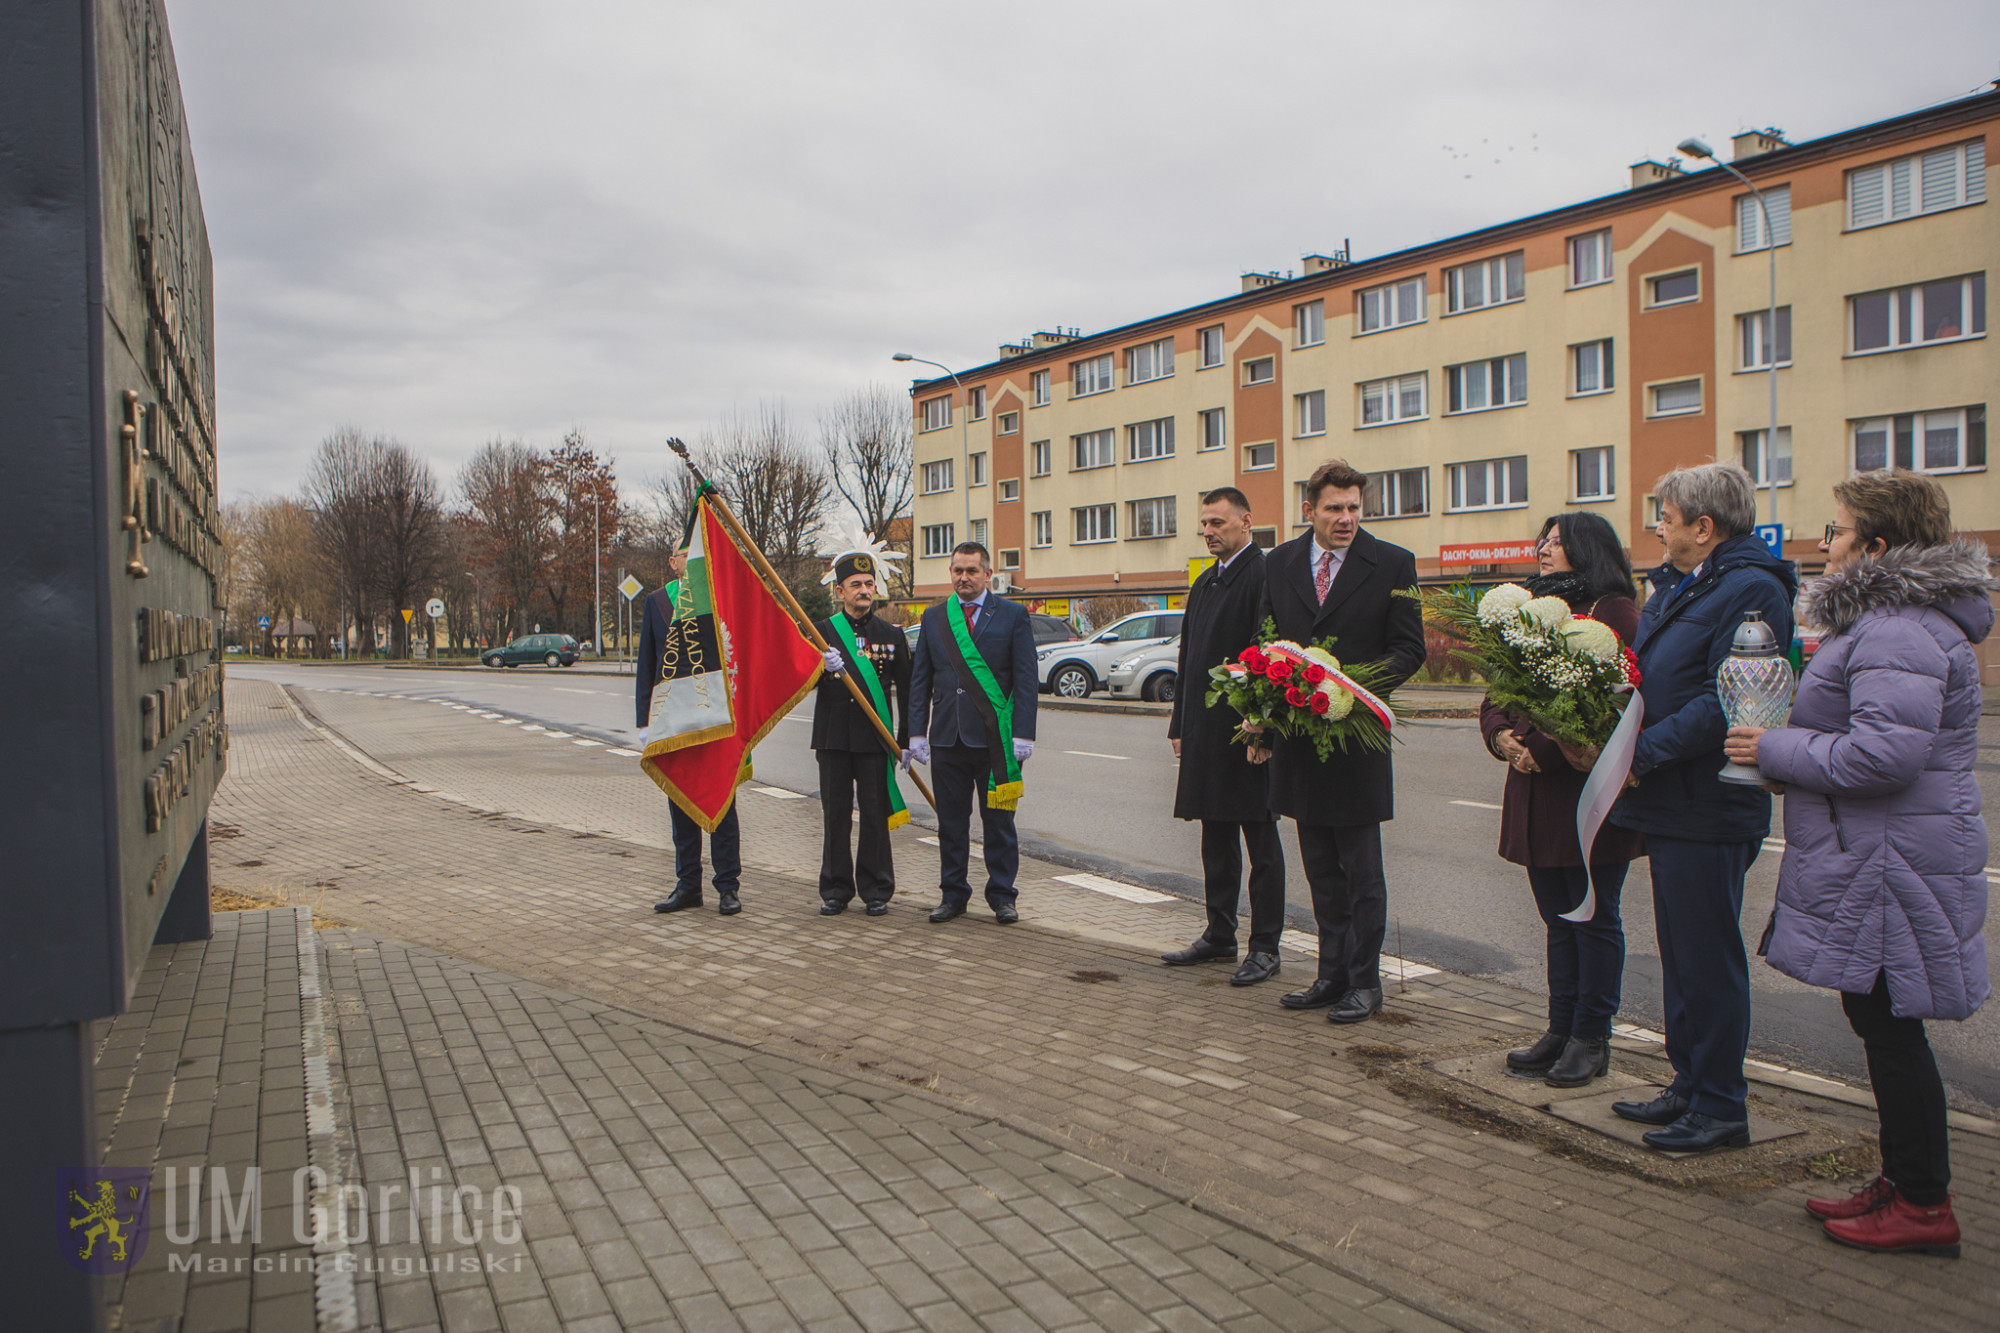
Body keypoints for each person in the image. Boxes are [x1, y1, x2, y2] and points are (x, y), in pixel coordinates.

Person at [1724, 470, 1989, 1256]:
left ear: (1876, 547)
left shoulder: (1899, 629)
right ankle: (1908, 1178)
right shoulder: (1888, 622)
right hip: (1884, 854)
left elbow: (1885, 755)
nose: (1823, 544)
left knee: (1890, 1022)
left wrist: (1772, 746)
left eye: (1835, 531)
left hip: (1891, 862)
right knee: (1881, 1019)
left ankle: (1924, 1200)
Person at [1608, 463, 1795, 1153]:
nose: (1659, 526)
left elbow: (1727, 700)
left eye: (1667, 515)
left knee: (1709, 958)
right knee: (1683, 956)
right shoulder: (1686, 585)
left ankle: (1721, 1104)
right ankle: (1688, 1083)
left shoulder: (1750, 590)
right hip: (1673, 801)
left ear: (1704, 527)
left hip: (1709, 802)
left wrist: (1642, 751)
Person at [1254, 460, 1426, 1025]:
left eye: (1354, 507)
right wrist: (1265, 711)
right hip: (1299, 741)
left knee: (1361, 871)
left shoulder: (1393, 563)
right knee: (1320, 867)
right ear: (1310, 511)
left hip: (1356, 739)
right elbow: (1265, 639)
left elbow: (1409, 649)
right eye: (1335, 508)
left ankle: (1364, 981)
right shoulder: (1277, 563)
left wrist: (1346, 690)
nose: (1347, 518)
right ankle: (1329, 974)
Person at [1480, 513, 1643, 1087]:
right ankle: (1560, 1026)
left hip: (1582, 791)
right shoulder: (1533, 606)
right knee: (1557, 917)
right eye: (1543, 540)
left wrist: (1538, 748)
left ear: (1586, 549)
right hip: (1535, 786)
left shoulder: (1611, 611)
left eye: (1556, 541)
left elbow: (1606, 701)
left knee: (1591, 915)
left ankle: (1591, 1037)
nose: (1544, 548)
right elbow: (1500, 685)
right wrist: (1502, 735)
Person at [1163, 488, 1287, 985]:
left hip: (1247, 734)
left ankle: (1265, 946)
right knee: (1215, 838)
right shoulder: (1205, 582)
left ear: (1246, 520)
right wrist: (1179, 725)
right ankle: (1219, 933)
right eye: (1205, 524)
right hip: (1204, 734)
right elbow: (1189, 659)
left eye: (1217, 522)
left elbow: (1271, 656)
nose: (1209, 531)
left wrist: (1265, 730)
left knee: (1261, 843)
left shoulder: (1264, 575)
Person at [908, 542, 1038, 923]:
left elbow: (1026, 679)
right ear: (950, 573)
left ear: (987, 574)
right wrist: (917, 731)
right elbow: (921, 680)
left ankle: (1002, 896)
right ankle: (953, 894)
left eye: (971, 571)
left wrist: (1024, 733)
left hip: (996, 741)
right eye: (957, 571)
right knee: (950, 823)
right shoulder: (934, 618)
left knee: (999, 822)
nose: (963, 577)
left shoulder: (1013, 615)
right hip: (947, 738)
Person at [636, 542, 742, 916]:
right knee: (681, 805)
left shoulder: (716, 597)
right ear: (673, 561)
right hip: (674, 720)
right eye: (685, 554)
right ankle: (688, 886)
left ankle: (728, 887)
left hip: (714, 719)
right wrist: (644, 722)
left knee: (722, 806)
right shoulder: (657, 602)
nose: (691, 559)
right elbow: (647, 663)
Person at [811, 550, 911, 917]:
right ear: (840, 591)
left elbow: (909, 688)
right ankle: (836, 889)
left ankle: (876, 889)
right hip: (833, 737)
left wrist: (905, 739)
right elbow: (801, 682)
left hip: (874, 740)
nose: (864, 590)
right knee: (835, 815)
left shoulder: (891, 635)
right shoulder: (821, 632)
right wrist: (819, 667)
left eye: (869, 584)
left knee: (874, 814)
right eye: (856, 585)